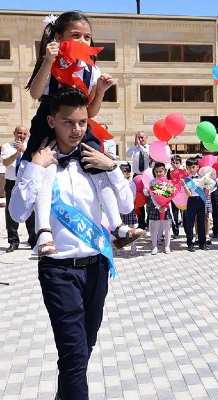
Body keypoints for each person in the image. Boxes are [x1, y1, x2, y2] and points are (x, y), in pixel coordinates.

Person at [9, 88, 134, 400]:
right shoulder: (37, 162)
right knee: (74, 355)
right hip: (58, 270)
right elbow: (16, 212)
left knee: (83, 348)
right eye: (68, 122)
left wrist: (113, 167)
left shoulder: (94, 160)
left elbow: (128, 205)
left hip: (96, 267)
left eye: (82, 122)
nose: (77, 130)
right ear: (52, 121)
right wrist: (36, 166)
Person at [21, 12, 140, 255]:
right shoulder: (51, 61)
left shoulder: (91, 68)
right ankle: (43, 233)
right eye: (76, 35)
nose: (83, 41)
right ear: (58, 37)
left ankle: (117, 226)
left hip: (78, 124)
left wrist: (101, 91)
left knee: (99, 167)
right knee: (44, 173)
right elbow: (34, 93)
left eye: (87, 37)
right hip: (49, 122)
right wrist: (47, 61)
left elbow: (91, 111)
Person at [1, 126, 36, 252]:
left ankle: (33, 240)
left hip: (26, 182)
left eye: (24, 133)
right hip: (12, 182)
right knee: (11, 212)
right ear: (14, 133)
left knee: (31, 211)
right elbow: (5, 163)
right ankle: (13, 241)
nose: (21, 135)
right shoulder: (7, 146)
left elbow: (35, 161)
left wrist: (24, 150)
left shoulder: (31, 146)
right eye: (19, 133)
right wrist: (17, 153)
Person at [144, 162, 173, 255]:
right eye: (157, 171)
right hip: (155, 207)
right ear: (154, 172)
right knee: (154, 228)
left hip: (166, 207)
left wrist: (164, 205)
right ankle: (154, 246)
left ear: (165, 171)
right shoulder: (152, 182)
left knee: (167, 228)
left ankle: (167, 246)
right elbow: (152, 196)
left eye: (161, 171)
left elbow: (170, 195)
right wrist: (159, 206)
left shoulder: (168, 182)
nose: (159, 173)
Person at [183, 158, 207, 251]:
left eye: (193, 167)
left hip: (201, 201)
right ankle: (190, 243)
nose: (191, 169)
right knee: (190, 223)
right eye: (189, 167)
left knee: (201, 223)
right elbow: (189, 194)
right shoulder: (186, 179)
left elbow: (205, 191)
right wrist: (184, 186)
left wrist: (207, 188)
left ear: (197, 167)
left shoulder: (202, 177)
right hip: (191, 200)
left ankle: (202, 243)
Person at [128, 132, 150, 229]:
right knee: (138, 200)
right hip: (136, 176)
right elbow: (128, 154)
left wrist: (140, 146)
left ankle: (149, 222)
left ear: (146, 138)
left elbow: (146, 154)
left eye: (141, 137)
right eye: (138, 137)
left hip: (147, 176)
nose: (140, 139)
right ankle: (141, 222)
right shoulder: (134, 148)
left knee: (149, 199)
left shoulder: (149, 148)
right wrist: (135, 146)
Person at [119, 163, 138, 255]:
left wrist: (128, 205)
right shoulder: (117, 183)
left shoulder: (131, 183)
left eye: (123, 172)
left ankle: (133, 245)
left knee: (131, 227)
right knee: (119, 228)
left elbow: (133, 196)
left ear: (128, 173)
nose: (121, 174)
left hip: (129, 208)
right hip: (119, 209)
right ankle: (120, 245)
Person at [168, 155, 187, 237]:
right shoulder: (169, 172)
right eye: (173, 163)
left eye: (177, 163)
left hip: (183, 197)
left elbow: (187, 183)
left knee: (185, 215)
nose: (175, 165)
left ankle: (187, 231)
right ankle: (175, 232)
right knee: (174, 215)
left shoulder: (184, 172)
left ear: (180, 163)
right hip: (174, 197)